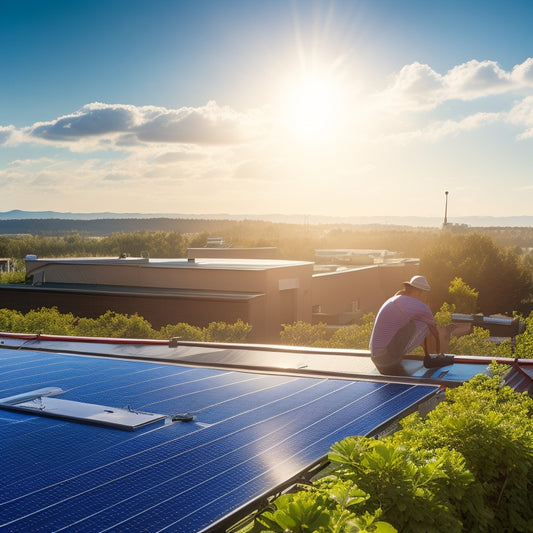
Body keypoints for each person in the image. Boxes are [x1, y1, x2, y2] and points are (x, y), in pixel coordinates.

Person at [369, 275, 453, 375]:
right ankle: (432, 358)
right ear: (421, 292)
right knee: (426, 324)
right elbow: (435, 334)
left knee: (418, 321)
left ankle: (428, 357)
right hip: (387, 358)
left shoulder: (396, 299)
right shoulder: (421, 307)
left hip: (376, 356)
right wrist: (440, 353)